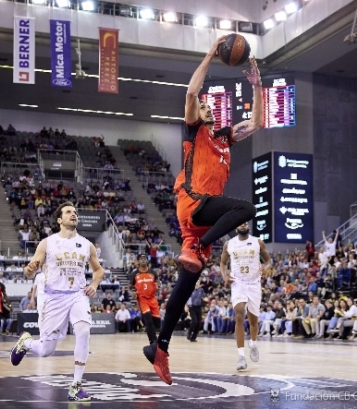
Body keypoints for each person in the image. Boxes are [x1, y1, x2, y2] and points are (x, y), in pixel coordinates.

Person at [143, 37, 262, 385]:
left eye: (211, 107)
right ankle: (194, 246)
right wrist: (211, 53)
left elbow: (256, 122)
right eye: (205, 106)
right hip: (194, 203)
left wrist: (256, 87)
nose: (207, 108)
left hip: (202, 220)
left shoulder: (225, 138)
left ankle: (160, 347)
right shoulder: (194, 130)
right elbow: (191, 93)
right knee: (246, 208)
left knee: (184, 288)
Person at [10, 201, 104, 402]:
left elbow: (98, 270)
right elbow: (28, 272)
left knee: (84, 331)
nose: (74, 214)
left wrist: (94, 285)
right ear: (59, 220)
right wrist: (29, 269)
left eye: (75, 212)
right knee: (46, 350)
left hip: (78, 294)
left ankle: (76, 386)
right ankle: (26, 342)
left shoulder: (87, 245)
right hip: (54, 297)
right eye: (69, 212)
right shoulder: (47, 243)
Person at [220, 222, 271, 371]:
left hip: (254, 284)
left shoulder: (258, 242)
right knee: (239, 315)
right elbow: (223, 263)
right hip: (238, 283)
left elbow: (268, 260)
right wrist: (225, 276)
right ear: (236, 228)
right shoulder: (229, 244)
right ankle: (241, 356)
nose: (243, 224)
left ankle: (253, 344)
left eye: (245, 222)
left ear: (248, 226)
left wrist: (265, 267)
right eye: (240, 223)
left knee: (254, 321)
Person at [131, 254, 161, 344]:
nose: (143, 260)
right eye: (141, 259)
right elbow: (131, 286)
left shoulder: (153, 273)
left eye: (145, 258)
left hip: (153, 299)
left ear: (147, 261)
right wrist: (133, 292)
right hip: (142, 299)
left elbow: (158, 282)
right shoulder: (134, 274)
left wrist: (159, 285)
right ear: (138, 261)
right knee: (149, 321)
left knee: (157, 323)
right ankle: (153, 341)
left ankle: (153, 336)